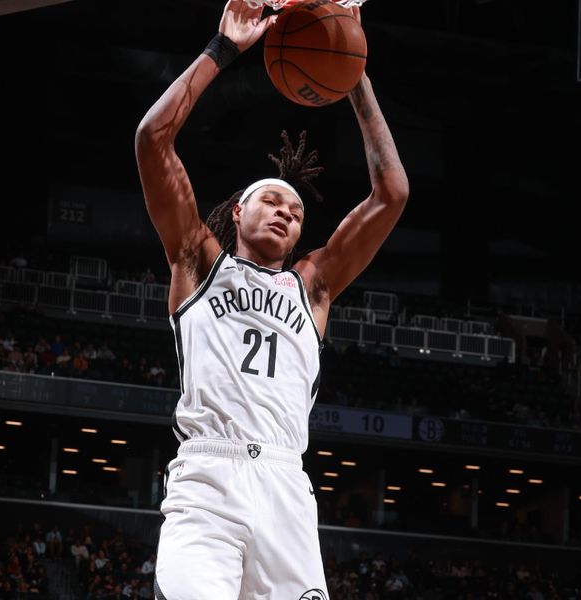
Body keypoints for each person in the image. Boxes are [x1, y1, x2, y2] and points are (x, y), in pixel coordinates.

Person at [135, 1, 408, 598]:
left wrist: (352, 67)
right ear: (237, 211)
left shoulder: (312, 285)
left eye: (297, 211)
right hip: (209, 474)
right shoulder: (198, 260)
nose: (286, 211)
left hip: (286, 482)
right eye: (272, 202)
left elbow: (392, 193)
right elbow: (152, 139)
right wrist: (223, 49)